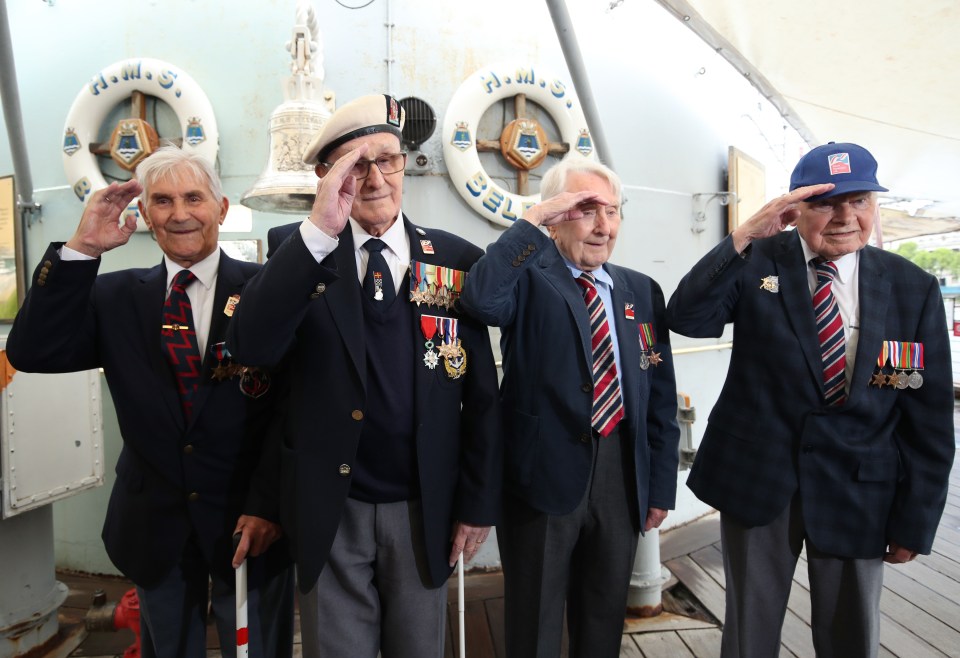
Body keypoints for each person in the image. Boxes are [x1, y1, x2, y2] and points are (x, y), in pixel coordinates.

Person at [226, 93, 502, 658]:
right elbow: (252, 347)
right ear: (327, 175)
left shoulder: (452, 260)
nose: (375, 178)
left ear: (405, 166)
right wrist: (318, 232)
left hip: (424, 506)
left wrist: (478, 503)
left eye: (388, 159)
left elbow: (482, 398)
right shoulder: (296, 252)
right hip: (332, 506)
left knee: (420, 649)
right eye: (356, 164)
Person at [667, 142, 955, 657]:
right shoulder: (756, 261)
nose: (846, 216)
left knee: (851, 636)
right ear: (794, 208)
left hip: (861, 488)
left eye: (860, 200)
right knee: (749, 635)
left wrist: (916, 518)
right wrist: (741, 236)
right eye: (827, 203)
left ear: (874, 205)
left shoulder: (912, 288)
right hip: (759, 481)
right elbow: (687, 317)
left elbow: (927, 416)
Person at [6, 146, 294, 658]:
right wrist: (83, 249)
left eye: (193, 197)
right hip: (154, 525)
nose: (179, 214)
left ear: (221, 208)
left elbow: (292, 411)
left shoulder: (266, 292)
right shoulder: (113, 296)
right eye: (162, 200)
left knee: (258, 650)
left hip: (250, 523)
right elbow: (32, 352)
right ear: (145, 215)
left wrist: (267, 505)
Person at [459, 158, 681, 658]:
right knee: (533, 621)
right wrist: (534, 220)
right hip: (541, 478)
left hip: (621, 477)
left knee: (603, 619)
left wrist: (659, 484)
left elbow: (658, 395)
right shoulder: (529, 280)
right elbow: (480, 300)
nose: (603, 226)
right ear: (557, 216)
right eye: (586, 210)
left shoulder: (641, 291)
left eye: (613, 211)